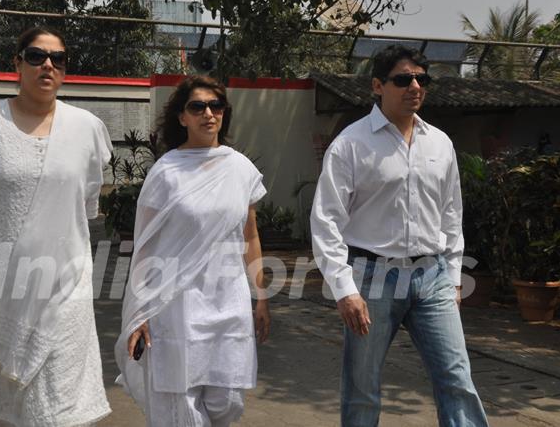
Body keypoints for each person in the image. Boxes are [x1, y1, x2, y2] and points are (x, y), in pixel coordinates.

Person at [0, 27, 112, 426]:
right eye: (36, 56)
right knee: (5, 406)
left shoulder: (85, 127)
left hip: (64, 285)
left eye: (58, 58)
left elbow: (83, 210)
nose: (47, 64)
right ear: (17, 63)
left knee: (61, 403)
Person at [310, 44, 489, 426]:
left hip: (433, 277)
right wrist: (344, 289)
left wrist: (454, 278)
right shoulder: (351, 144)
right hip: (372, 278)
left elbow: (451, 214)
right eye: (403, 79)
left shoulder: (440, 143)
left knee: (457, 379)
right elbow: (326, 220)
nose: (414, 87)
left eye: (421, 79)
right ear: (378, 85)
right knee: (362, 387)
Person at [115, 76, 271, 427]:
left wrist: (261, 296)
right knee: (179, 405)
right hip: (175, 305)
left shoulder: (239, 168)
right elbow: (146, 245)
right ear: (182, 117)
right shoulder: (166, 171)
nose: (208, 114)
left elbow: (251, 235)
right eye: (197, 106)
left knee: (226, 401)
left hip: (228, 302)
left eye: (216, 106)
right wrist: (140, 311)